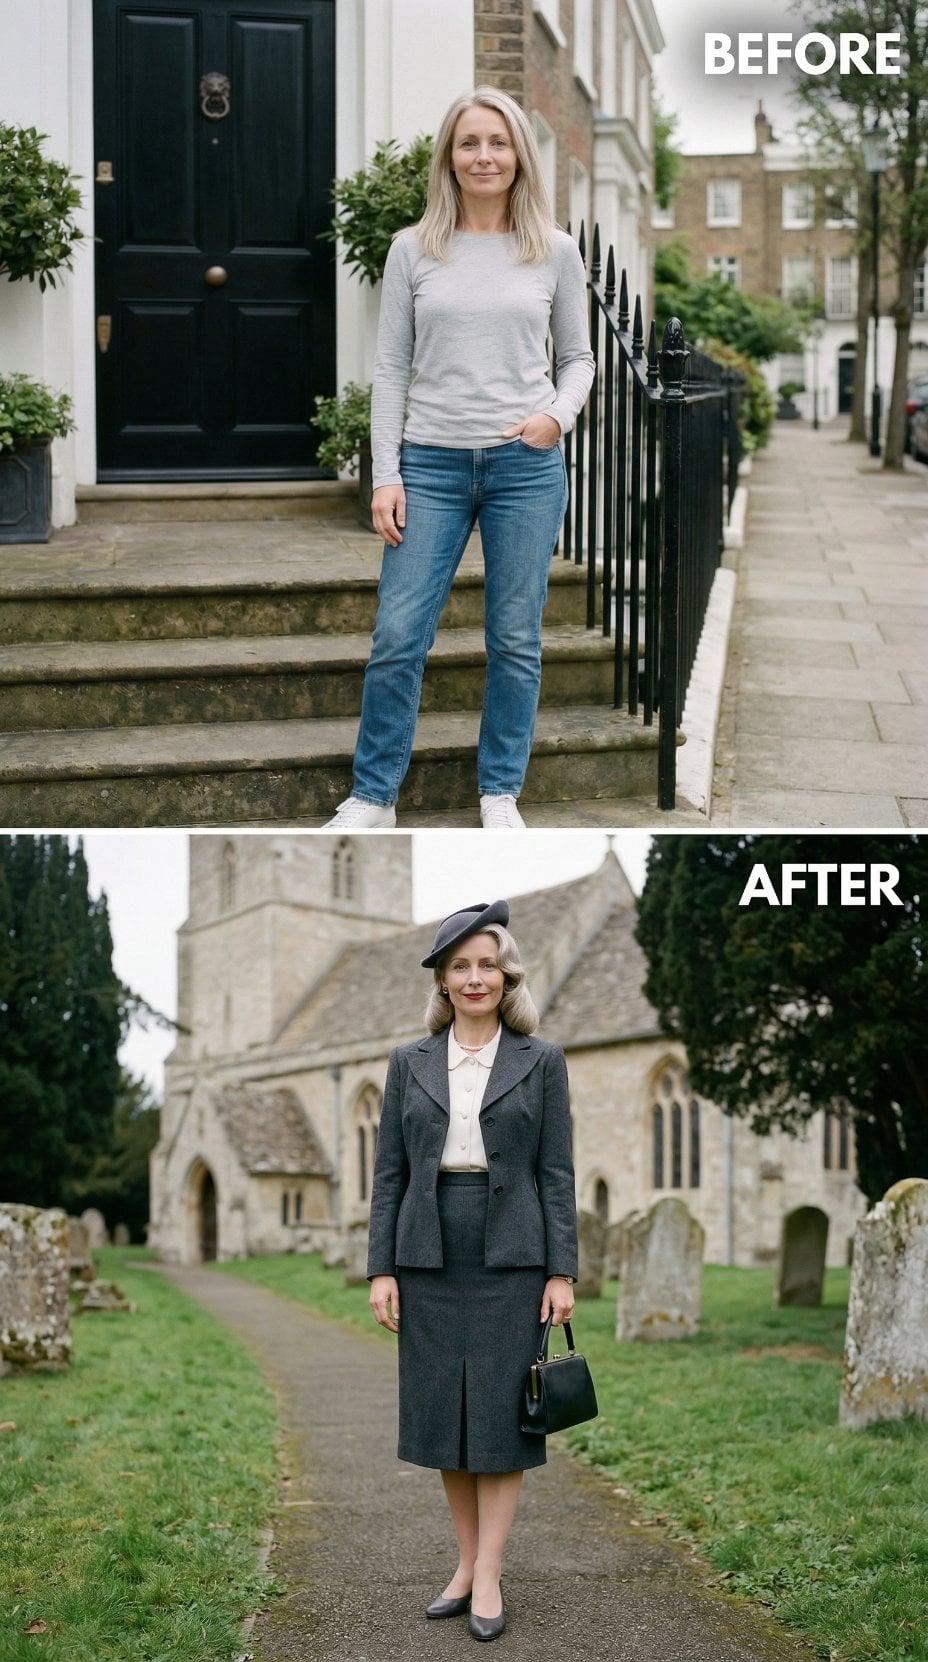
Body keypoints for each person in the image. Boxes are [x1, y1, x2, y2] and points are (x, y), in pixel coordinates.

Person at [324, 87, 595, 831]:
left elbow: (578, 358)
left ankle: (500, 792)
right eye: (470, 142)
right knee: (398, 636)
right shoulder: (415, 248)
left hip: (524, 469)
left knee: (515, 638)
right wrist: (386, 474)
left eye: (498, 143)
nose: (484, 156)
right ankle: (373, 797)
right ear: (450, 155)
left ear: (519, 157)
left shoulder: (554, 250)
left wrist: (553, 418)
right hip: (431, 466)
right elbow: (390, 370)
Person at [367, 899, 578, 1642]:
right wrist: (381, 1268)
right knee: (444, 1419)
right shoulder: (408, 1062)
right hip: (427, 1253)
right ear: (442, 979)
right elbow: (388, 1173)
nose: (476, 976)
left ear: (506, 973)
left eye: (488, 963)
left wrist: (562, 1270)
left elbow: (556, 1172)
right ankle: (463, 1564)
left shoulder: (541, 1060)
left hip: (512, 1256)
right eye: (461, 965)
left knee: (498, 1418)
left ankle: (489, 1573)